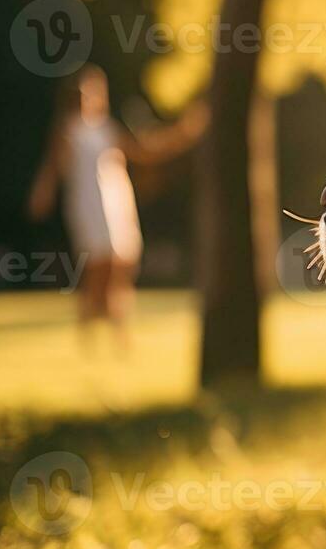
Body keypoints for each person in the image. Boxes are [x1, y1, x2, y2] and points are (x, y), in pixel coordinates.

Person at [27, 65, 207, 350]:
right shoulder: (69, 131)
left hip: (116, 203)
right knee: (98, 269)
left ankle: (116, 331)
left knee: (123, 264)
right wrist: (43, 192)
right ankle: (90, 334)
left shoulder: (106, 129)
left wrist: (182, 133)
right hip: (87, 206)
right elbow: (53, 168)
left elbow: (144, 151)